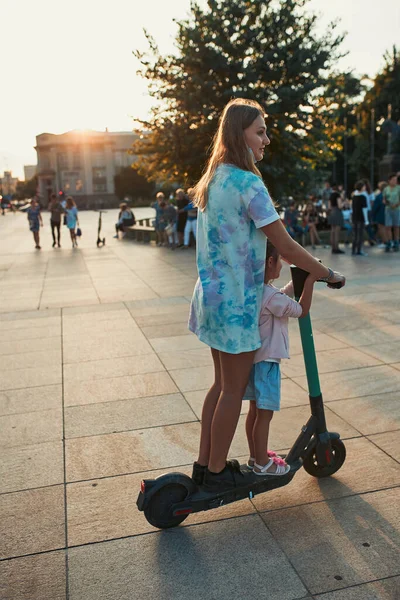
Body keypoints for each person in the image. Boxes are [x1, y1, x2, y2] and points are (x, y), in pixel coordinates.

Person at [188, 97, 345, 491]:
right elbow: (286, 245)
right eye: (259, 131)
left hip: (211, 297)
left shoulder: (214, 179)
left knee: (220, 385)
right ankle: (219, 474)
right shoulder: (247, 182)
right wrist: (324, 272)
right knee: (233, 390)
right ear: (238, 134)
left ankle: (205, 464)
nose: (266, 139)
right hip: (238, 302)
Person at [244, 241, 316, 476]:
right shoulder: (270, 296)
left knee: (254, 411)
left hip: (253, 360)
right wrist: (311, 281)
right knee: (265, 414)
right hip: (267, 363)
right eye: (279, 261)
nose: (282, 266)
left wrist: (297, 281)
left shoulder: (257, 289)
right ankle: (263, 464)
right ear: (269, 262)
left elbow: (281, 295)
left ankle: (256, 456)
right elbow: (300, 310)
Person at [383, 173, 400, 252]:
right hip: (388, 209)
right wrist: (386, 202)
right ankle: (389, 241)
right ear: (389, 180)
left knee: (396, 226)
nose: (395, 181)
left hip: (397, 209)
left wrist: (396, 204)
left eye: (396, 180)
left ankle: (396, 242)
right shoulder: (386, 189)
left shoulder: (398, 188)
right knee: (388, 226)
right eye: (393, 180)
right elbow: (384, 199)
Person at [351, 181, 368, 256]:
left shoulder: (354, 196)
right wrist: (366, 219)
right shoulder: (363, 197)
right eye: (364, 186)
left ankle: (353, 250)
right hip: (361, 218)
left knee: (355, 234)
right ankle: (358, 250)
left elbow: (352, 208)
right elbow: (364, 209)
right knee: (360, 234)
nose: (365, 187)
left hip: (354, 217)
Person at [328, 184, 344, 254]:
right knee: (337, 232)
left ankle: (333, 248)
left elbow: (329, 206)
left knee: (332, 231)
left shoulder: (331, 195)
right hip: (337, 212)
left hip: (332, 212)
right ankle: (336, 248)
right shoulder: (338, 195)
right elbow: (340, 206)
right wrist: (344, 203)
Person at [370, 182, 386, 248]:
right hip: (388, 214)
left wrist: (372, 215)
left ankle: (385, 242)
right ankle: (390, 242)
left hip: (381, 215)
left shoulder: (379, 196)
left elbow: (375, 207)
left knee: (381, 228)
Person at [363, 179, 377, 246]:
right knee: (368, 226)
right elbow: (372, 203)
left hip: (365, 210)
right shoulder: (370, 193)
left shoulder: (363, 192)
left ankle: (372, 238)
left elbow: (372, 202)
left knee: (366, 226)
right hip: (368, 210)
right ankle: (371, 239)